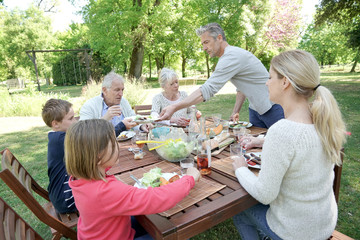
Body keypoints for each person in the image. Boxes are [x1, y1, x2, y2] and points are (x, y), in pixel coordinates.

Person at [232, 50, 347, 239]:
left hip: (296, 232)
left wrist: (241, 168)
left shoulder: (283, 131)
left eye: (270, 77)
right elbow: (300, 141)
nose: (266, 83)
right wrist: (262, 140)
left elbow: (264, 194)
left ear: (285, 82)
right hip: (323, 224)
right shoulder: (321, 121)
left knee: (238, 211)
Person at [65, 119, 200, 240]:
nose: (118, 146)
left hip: (98, 233)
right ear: (98, 157)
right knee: (179, 234)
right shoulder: (107, 191)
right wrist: (190, 178)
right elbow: (157, 198)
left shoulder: (80, 179)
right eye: (114, 143)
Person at [159, 22, 284, 128]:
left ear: (219, 38)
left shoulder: (231, 56)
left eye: (206, 42)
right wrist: (235, 111)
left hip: (272, 107)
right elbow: (242, 87)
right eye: (202, 44)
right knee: (256, 149)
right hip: (255, 109)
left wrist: (174, 107)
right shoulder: (229, 56)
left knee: (282, 148)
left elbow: (207, 90)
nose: (204, 48)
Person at [79, 71, 152, 135]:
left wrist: (142, 126)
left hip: (125, 145)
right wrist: (105, 118)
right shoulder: (90, 106)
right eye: (117, 90)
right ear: (104, 90)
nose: (121, 94)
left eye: (122, 90)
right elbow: (83, 131)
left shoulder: (123, 102)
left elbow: (132, 119)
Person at [41, 98, 77, 214]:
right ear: (55, 124)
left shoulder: (56, 137)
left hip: (58, 193)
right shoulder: (62, 139)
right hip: (66, 199)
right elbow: (96, 140)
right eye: (71, 119)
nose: (75, 121)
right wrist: (120, 126)